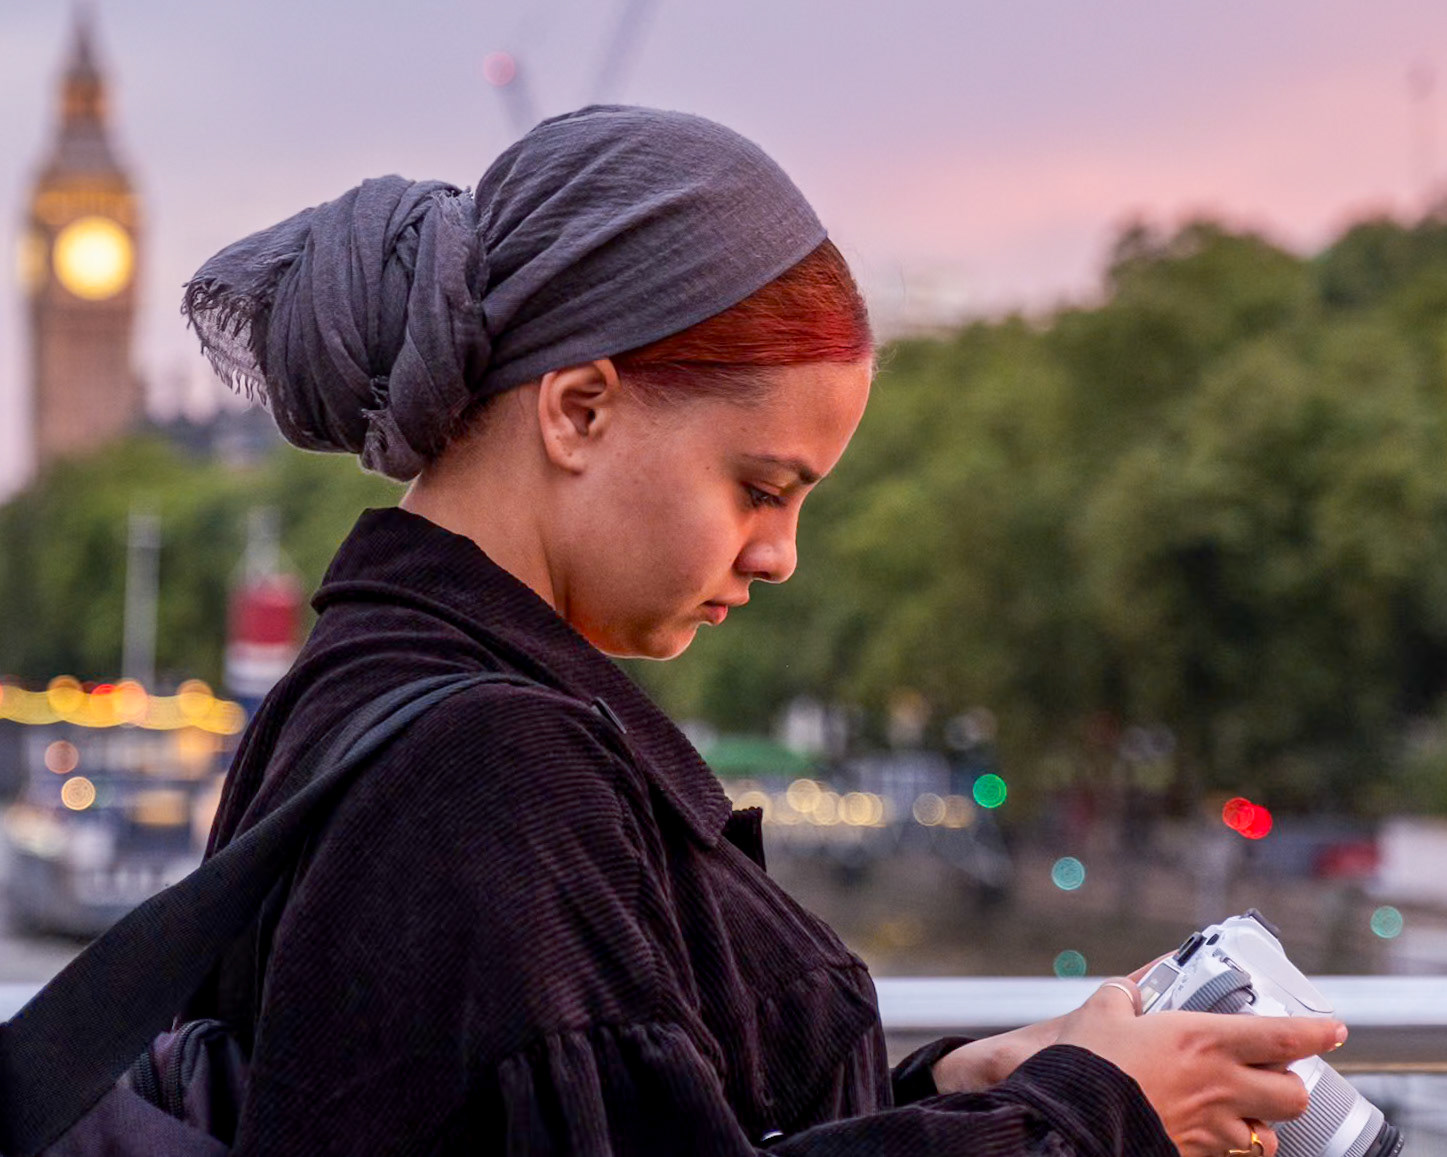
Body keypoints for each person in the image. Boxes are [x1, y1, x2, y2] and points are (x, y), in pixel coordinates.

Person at [181, 105, 1343, 1157]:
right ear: (580, 407)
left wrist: (964, 1086)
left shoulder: (367, 694)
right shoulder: (491, 763)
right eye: (760, 486)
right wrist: (1090, 1118)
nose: (781, 554)